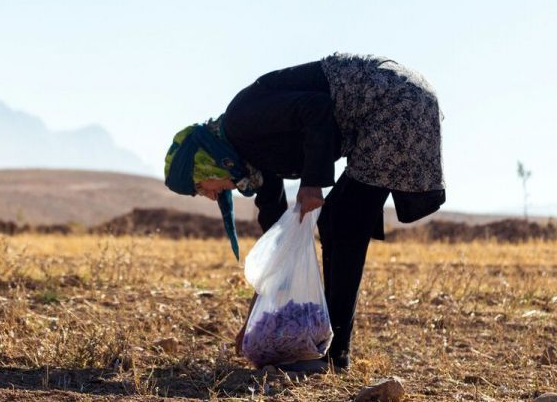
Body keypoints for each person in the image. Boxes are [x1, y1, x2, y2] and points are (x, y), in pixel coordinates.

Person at [163, 52, 445, 372]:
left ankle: (332, 353)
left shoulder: (242, 121)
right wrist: (253, 320)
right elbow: (278, 248)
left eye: (201, 186)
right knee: (342, 223)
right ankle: (332, 351)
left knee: (341, 224)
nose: (211, 195)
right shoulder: (254, 162)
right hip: (389, 108)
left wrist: (312, 183)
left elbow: (317, 108)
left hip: (393, 102)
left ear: (207, 161)